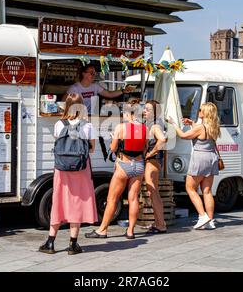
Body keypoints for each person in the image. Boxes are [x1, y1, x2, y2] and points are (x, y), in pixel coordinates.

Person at [39, 93, 98, 255]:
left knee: (59, 202)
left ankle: (50, 242)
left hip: (61, 169)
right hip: (81, 169)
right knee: (77, 203)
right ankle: (73, 244)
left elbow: (58, 145)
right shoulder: (88, 126)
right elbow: (91, 149)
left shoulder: (59, 124)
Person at [85, 99, 147, 239]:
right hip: (138, 165)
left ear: (127, 113)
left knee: (112, 199)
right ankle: (130, 231)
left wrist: (115, 139)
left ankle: (102, 230)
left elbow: (112, 149)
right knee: (133, 199)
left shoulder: (121, 127)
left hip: (123, 165)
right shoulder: (144, 128)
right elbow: (144, 148)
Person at [167, 103, 221, 230]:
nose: (199, 112)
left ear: (206, 113)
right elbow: (201, 132)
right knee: (207, 191)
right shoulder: (214, 126)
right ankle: (210, 220)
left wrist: (173, 123)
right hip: (211, 158)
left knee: (190, 188)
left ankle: (202, 216)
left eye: (201, 110)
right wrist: (192, 123)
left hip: (200, 158)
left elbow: (183, 136)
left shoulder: (200, 127)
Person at [66, 64, 134, 114]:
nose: (94, 75)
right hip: (77, 117)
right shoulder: (74, 88)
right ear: (84, 74)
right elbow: (63, 103)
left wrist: (123, 91)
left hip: (91, 117)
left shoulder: (95, 86)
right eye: (92, 73)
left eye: (94, 73)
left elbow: (109, 94)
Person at [143, 100, 168, 233]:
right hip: (155, 160)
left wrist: (150, 153)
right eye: (144, 108)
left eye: (147, 109)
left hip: (152, 160)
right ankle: (159, 222)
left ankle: (161, 225)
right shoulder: (155, 123)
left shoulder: (155, 125)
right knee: (153, 192)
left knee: (153, 191)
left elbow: (163, 140)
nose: (144, 111)